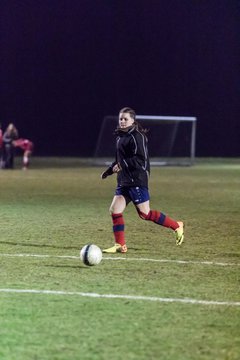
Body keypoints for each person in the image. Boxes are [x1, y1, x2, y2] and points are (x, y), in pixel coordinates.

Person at [101, 107, 184, 253]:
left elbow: (141, 160)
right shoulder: (120, 136)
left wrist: (122, 165)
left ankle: (177, 225)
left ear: (133, 120)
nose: (122, 121)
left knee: (145, 214)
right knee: (115, 210)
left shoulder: (137, 136)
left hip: (137, 180)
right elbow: (119, 160)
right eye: (120, 118)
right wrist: (109, 171)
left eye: (126, 119)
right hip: (124, 180)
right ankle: (120, 245)